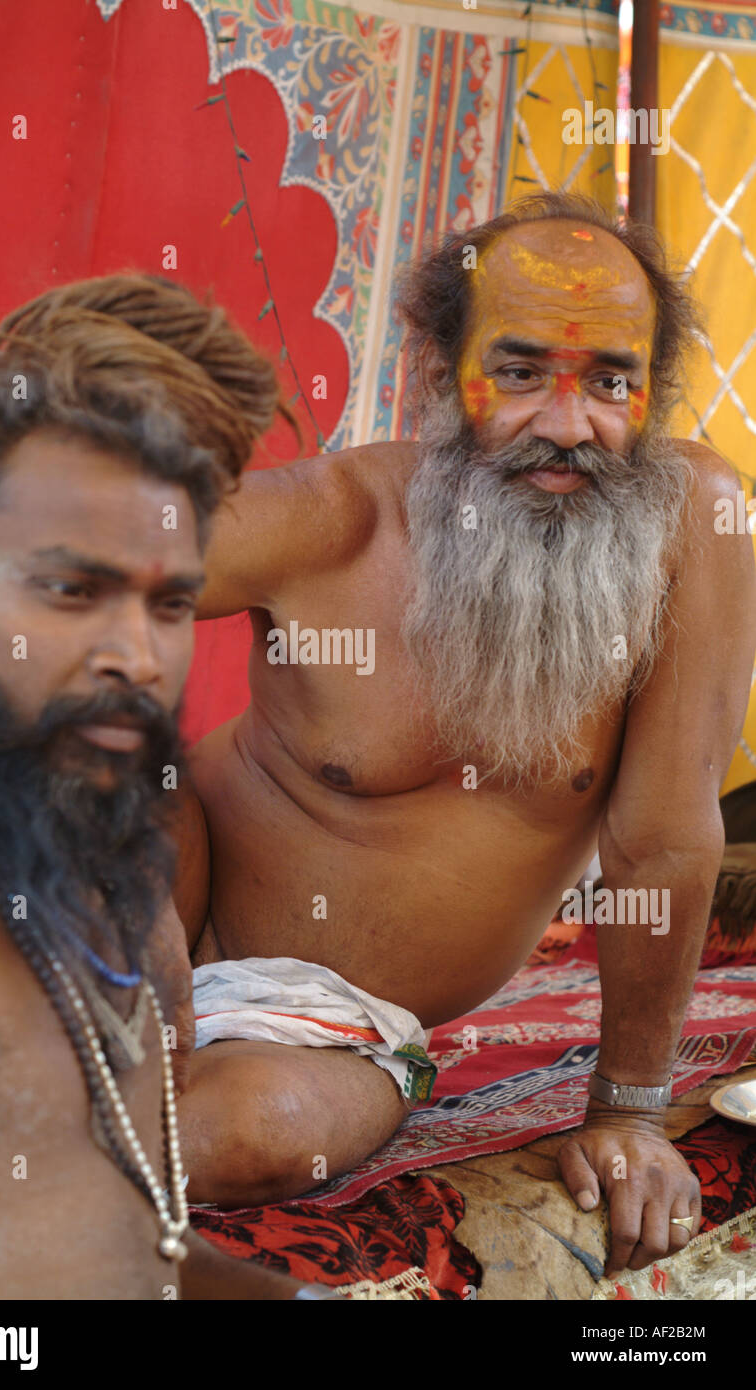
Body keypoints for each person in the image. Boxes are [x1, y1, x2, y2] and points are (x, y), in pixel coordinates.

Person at [178, 191, 756, 1277]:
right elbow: (52, 566)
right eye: (521, 371)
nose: (566, 424)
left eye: (610, 382)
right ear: (443, 376)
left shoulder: (693, 523)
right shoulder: (336, 514)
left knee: (250, 1136)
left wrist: (627, 1109)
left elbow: (663, 838)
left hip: (327, 1020)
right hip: (154, 906)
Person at [0, 274, 312, 1299]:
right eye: (72, 590)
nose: (135, 654)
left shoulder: (99, 860)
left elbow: (135, 1243)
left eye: (170, 601)